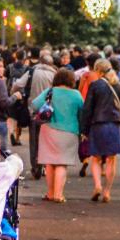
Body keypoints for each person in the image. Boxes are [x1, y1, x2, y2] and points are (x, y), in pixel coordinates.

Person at [81, 60, 120, 203]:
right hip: (115, 126)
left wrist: (83, 130)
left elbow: (87, 109)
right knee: (111, 160)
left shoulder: (95, 86)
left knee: (96, 158)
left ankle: (97, 186)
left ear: (98, 71)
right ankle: (106, 192)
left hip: (97, 125)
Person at [31, 67, 84, 202]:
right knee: (62, 163)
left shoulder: (50, 92)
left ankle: (50, 193)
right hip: (69, 131)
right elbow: (83, 111)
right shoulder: (76, 94)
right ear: (71, 80)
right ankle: (58, 195)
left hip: (48, 130)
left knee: (49, 163)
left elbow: (35, 105)